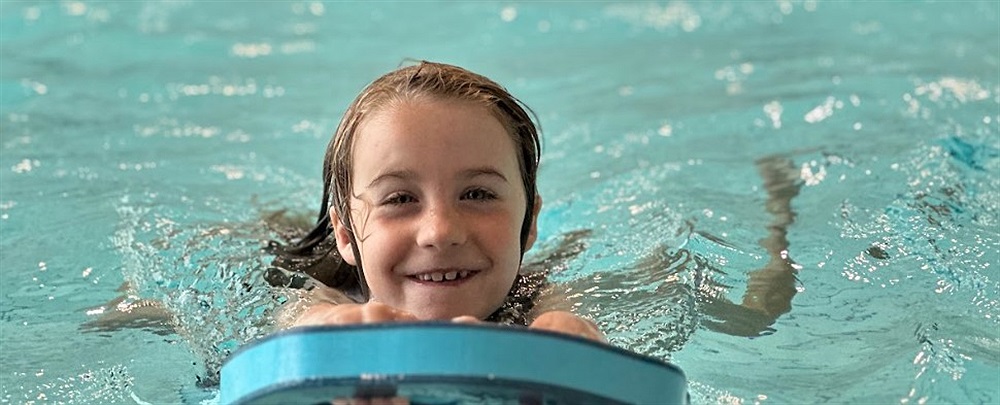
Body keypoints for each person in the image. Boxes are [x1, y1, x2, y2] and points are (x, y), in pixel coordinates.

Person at [269, 61, 605, 342]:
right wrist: (322, 329)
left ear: (529, 222)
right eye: (400, 198)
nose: (440, 232)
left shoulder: (536, 298)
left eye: (477, 194)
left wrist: (571, 331)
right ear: (344, 234)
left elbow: (563, 316)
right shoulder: (328, 298)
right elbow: (303, 317)